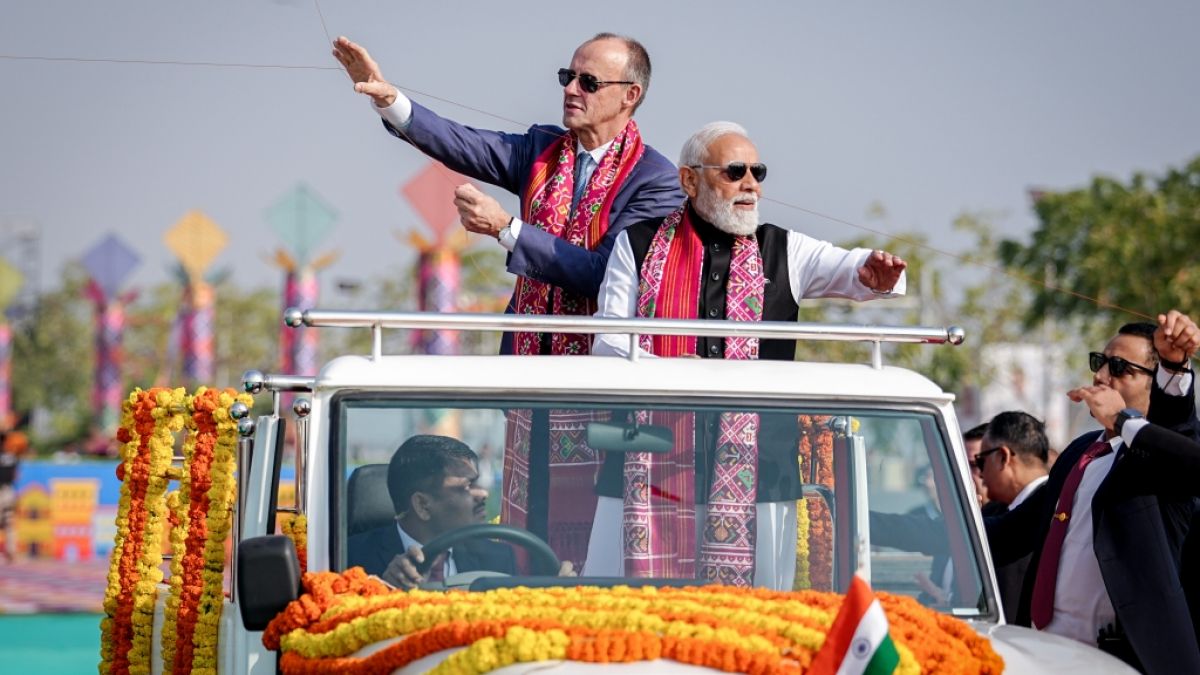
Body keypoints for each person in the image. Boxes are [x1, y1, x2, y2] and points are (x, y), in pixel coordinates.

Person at [333, 34, 685, 565]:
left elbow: (604, 274)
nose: (571, 89)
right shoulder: (542, 149)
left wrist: (508, 230)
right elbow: (463, 143)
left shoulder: (654, 181)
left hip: (595, 392)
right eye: (567, 76)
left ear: (629, 95)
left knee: (589, 544)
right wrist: (389, 99)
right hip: (527, 379)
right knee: (525, 525)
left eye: (588, 82)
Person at [586, 121, 907, 588]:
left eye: (758, 171)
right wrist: (673, 374)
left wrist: (875, 276)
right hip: (645, 475)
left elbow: (849, 269)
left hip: (758, 480)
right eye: (734, 171)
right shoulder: (636, 245)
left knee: (750, 632)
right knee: (628, 623)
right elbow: (609, 343)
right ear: (689, 180)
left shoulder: (784, 248)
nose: (750, 184)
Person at [985, 310, 1200, 673]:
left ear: (1156, 382)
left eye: (1119, 368)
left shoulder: (1155, 461)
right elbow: (1012, 532)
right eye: (1100, 362)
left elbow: (1185, 450)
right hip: (1044, 650)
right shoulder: (1080, 451)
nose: (1101, 376)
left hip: (1121, 661)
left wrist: (1172, 370)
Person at [347, 434, 516, 589]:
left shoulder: (497, 559)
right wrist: (384, 590)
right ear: (422, 505)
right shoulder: (351, 560)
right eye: (466, 486)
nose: (483, 494)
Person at [977, 411, 1050, 623]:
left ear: (1003, 457)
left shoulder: (1050, 508)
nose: (981, 475)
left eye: (981, 462)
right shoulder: (994, 512)